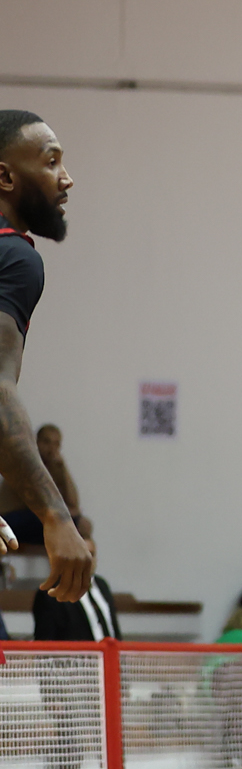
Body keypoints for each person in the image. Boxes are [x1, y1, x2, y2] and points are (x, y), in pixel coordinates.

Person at [0, 114, 83, 604]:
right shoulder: (15, 257)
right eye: (51, 162)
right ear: (5, 177)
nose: (66, 179)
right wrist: (56, 515)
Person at [30, 517, 116, 641]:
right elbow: (45, 641)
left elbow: (113, 629)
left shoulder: (102, 586)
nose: (88, 560)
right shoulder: (51, 594)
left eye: (92, 554)